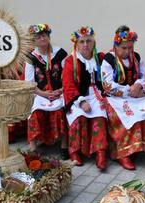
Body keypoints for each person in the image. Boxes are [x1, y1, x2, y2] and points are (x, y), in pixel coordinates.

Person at [101, 25, 145, 170]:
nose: (128, 51)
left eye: (130, 47)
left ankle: (137, 148)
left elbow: (144, 76)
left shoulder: (136, 57)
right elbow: (107, 84)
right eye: (124, 48)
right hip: (115, 98)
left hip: (135, 95)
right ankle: (122, 154)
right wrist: (128, 91)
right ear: (116, 45)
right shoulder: (108, 59)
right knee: (125, 117)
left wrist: (138, 85)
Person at [62, 26, 107, 170]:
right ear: (76, 44)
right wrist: (81, 102)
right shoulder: (71, 61)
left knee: (99, 118)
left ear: (94, 43)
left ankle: (100, 153)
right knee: (78, 117)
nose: (85, 45)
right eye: (82, 42)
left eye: (89, 41)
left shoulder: (100, 58)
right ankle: (74, 152)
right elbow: (68, 85)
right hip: (77, 96)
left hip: (97, 94)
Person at [25, 24, 69, 159]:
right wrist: (44, 94)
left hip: (59, 92)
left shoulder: (60, 53)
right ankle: (33, 148)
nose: (42, 39)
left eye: (44, 35)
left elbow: (67, 77)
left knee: (61, 111)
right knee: (35, 113)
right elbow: (29, 82)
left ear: (49, 37)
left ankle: (64, 146)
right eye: (38, 37)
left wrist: (60, 91)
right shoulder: (31, 57)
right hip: (40, 94)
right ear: (34, 41)